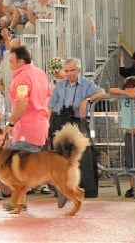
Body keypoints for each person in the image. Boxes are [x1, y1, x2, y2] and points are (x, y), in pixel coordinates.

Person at [48, 57, 104, 199]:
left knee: (84, 154)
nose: (69, 73)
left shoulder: (86, 84)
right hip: (59, 119)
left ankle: (87, 189)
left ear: (78, 70)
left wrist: (87, 100)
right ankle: (62, 189)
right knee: (60, 156)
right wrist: (48, 124)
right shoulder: (60, 85)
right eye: (66, 71)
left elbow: (101, 92)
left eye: (72, 70)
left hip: (78, 121)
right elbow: (51, 106)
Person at [2, 46, 52, 196]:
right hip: (40, 124)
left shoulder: (22, 78)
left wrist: (10, 124)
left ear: (21, 61)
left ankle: (17, 201)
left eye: (11, 61)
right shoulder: (40, 73)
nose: (9, 64)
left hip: (26, 128)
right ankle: (56, 182)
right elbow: (49, 96)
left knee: (18, 169)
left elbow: (22, 104)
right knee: (30, 168)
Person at [110, 76, 135, 198]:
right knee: (129, 163)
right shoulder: (123, 95)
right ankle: (131, 187)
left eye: (134, 88)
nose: (131, 91)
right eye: (128, 88)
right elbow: (111, 90)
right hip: (128, 135)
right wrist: (126, 93)